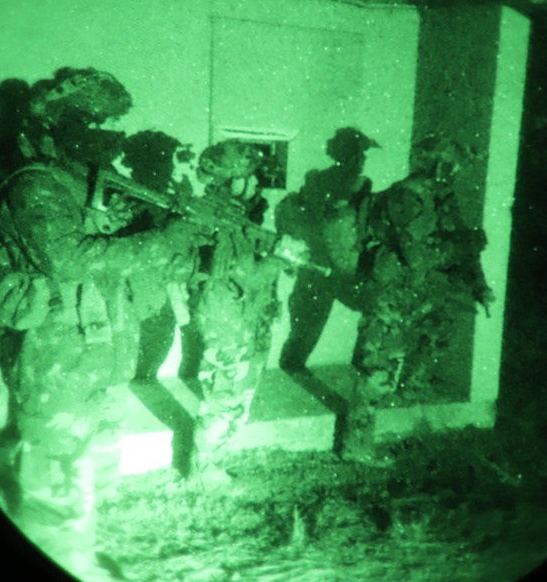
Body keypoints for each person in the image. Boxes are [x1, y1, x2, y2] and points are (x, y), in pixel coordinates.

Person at [0, 67, 199, 580]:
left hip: (103, 360)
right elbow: (67, 259)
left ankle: (76, 556)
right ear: (53, 127)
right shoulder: (34, 184)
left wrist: (170, 239)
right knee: (53, 490)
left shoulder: (86, 188)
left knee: (95, 478)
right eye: (87, 121)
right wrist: (159, 239)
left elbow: (124, 263)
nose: (101, 134)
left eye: (105, 123)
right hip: (58, 363)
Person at [340, 140, 495, 465]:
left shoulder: (442, 198)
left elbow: (459, 242)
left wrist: (480, 286)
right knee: (377, 369)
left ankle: (409, 396)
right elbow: (416, 258)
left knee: (433, 333)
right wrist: (463, 246)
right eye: (454, 166)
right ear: (439, 165)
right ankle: (356, 446)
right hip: (390, 293)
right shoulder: (407, 197)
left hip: (413, 292)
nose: (457, 173)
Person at [184, 139, 288, 489]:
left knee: (236, 398)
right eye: (250, 177)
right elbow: (241, 275)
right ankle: (203, 473)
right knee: (223, 398)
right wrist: (280, 259)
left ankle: (213, 464)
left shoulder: (230, 216)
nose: (256, 185)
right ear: (232, 178)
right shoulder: (213, 217)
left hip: (239, 317)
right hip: (226, 321)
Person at [275, 128, 380, 371]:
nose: (363, 161)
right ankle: (361, 370)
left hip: (318, 269)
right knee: (374, 312)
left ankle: (290, 376)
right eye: (361, 155)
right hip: (336, 268)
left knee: (303, 334)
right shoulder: (357, 185)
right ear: (352, 156)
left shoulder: (316, 181)